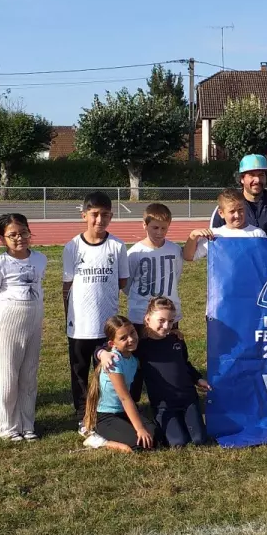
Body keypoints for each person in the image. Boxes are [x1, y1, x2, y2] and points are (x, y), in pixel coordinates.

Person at [63, 191, 130, 432]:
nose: (99, 220)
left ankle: (106, 412)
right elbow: (67, 284)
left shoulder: (117, 246)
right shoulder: (72, 246)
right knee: (80, 374)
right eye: (94, 215)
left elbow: (122, 281)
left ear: (111, 216)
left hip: (107, 324)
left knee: (106, 371)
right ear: (84, 215)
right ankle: (83, 416)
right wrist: (69, 318)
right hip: (80, 324)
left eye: (105, 215)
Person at [102, 297, 210, 447]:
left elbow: (185, 364)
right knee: (177, 442)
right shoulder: (139, 346)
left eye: (171, 321)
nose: (166, 326)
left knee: (199, 440)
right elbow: (113, 344)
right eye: (161, 320)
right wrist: (101, 353)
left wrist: (198, 379)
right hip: (163, 405)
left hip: (188, 399)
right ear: (147, 319)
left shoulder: (176, 339)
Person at [0, 213, 46, 442]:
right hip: (8, 320)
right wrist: (13, 307)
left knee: (29, 374)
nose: (19, 238)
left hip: (34, 318)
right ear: (2, 238)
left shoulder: (40, 259)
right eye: (12, 235)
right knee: (8, 375)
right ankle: (8, 427)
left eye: (23, 233)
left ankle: (27, 423)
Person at [82, 316, 154, 452]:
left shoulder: (133, 360)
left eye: (132, 332)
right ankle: (100, 440)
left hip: (123, 412)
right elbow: (124, 398)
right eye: (123, 338)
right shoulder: (113, 361)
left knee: (153, 436)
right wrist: (139, 428)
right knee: (138, 444)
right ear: (112, 344)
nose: (131, 339)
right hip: (106, 416)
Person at [127, 203, 184, 325]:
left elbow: (176, 276)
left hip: (169, 314)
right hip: (141, 314)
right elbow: (127, 285)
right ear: (145, 225)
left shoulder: (175, 250)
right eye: (155, 228)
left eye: (164, 228)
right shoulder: (134, 253)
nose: (159, 232)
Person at [209, 154, 267, 238]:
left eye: (261, 175)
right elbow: (214, 243)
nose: (257, 180)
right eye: (252, 175)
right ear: (242, 178)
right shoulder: (226, 207)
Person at [184, 188, 267, 260]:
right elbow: (188, 257)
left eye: (240, 210)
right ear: (221, 213)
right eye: (232, 211)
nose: (237, 215)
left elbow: (265, 261)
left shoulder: (257, 233)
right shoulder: (214, 236)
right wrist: (193, 235)